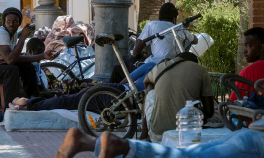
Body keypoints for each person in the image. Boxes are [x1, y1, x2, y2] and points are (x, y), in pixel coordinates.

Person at [53, 127, 264, 158]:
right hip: (260, 149)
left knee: (187, 157)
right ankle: (122, 146)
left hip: (250, 136)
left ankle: (84, 141)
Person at [8, 62, 156, 111]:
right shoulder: (158, 73)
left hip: (117, 92)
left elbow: (125, 81)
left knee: (69, 100)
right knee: (70, 100)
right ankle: (29, 103)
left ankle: (29, 103)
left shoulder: (152, 66)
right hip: (122, 100)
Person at [109, 2, 198, 83]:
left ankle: (111, 96)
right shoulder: (180, 28)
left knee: (119, 68)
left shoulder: (152, 25)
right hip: (172, 65)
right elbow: (195, 40)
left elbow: (135, 53)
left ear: (160, 17)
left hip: (154, 65)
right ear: (175, 18)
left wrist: (141, 55)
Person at [141, 51, 214, 142]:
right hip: (187, 134)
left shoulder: (160, 67)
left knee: (150, 88)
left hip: (157, 135)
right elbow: (209, 112)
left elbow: (145, 81)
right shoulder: (201, 70)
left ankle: (144, 134)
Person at [0, 7, 58, 109]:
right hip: (4, 68)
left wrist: (43, 56)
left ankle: (34, 101)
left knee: (27, 67)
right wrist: (22, 37)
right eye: (8, 21)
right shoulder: (2, 33)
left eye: (15, 21)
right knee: (12, 70)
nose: (11, 24)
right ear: (4, 22)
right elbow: (9, 60)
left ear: (19, 23)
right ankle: (9, 107)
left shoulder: (12, 34)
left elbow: (16, 58)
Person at [230, 27, 264, 101]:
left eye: (248, 46)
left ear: (261, 47)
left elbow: (233, 103)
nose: (244, 51)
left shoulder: (248, 72)